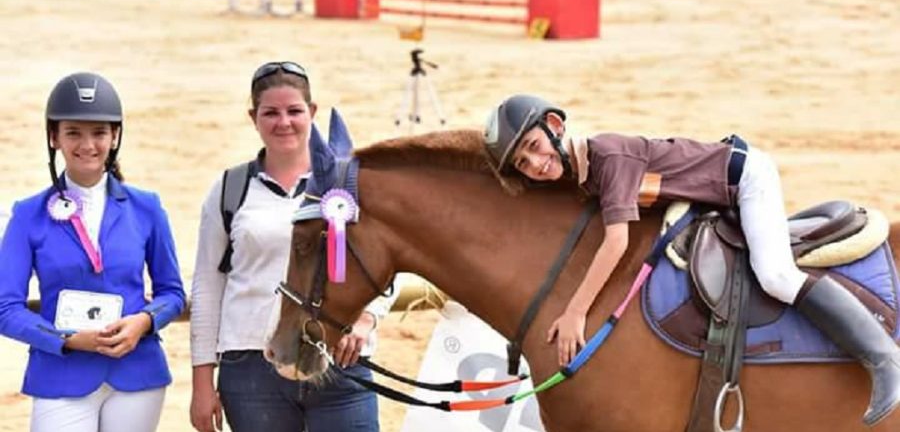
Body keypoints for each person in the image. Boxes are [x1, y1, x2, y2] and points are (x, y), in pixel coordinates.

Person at [482, 93, 900, 426]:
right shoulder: (581, 171)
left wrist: (576, 312)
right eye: (523, 162)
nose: (536, 163)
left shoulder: (609, 157)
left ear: (555, 126)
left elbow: (616, 242)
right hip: (713, 197)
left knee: (775, 275)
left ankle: (883, 358)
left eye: (534, 147)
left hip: (745, 179)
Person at [189, 61, 396, 432]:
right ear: (254, 117)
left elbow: (387, 260)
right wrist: (202, 382)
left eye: (294, 111)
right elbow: (207, 286)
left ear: (312, 113)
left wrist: (366, 318)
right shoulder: (229, 189)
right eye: (270, 112)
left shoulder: (349, 184)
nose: (283, 122)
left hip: (339, 360)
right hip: (252, 369)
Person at [0, 72, 186, 432]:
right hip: (60, 375)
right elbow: (5, 307)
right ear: (54, 137)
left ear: (115, 136)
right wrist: (66, 340)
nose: (88, 145)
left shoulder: (147, 208)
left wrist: (143, 322)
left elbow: (172, 293)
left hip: (137, 373)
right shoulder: (26, 214)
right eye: (73, 132)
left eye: (99, 133)